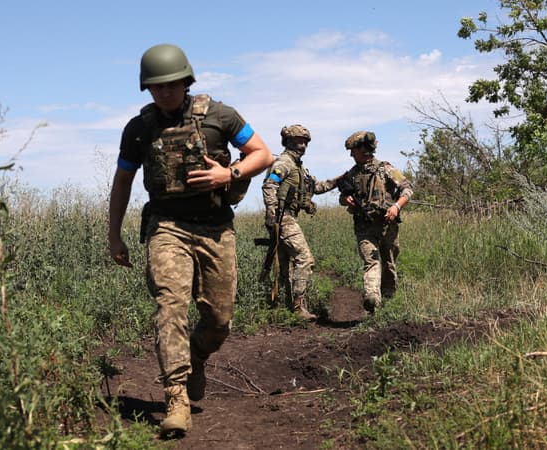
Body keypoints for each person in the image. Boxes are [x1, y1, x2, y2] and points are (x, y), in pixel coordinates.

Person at [108, 43, 273, 436]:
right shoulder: (139, 129)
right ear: (147, 89)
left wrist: (228, 175)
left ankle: (196, 356)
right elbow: (122, 182)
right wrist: (114, 235)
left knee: (219, 321)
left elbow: (261, 155)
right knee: (171, 307)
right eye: (155, 87)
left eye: (171, 84)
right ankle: (176, 395)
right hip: (167, 227)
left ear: (186, 81)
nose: (164, 93)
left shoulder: (220, 116)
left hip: (216, 227)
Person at [261, 124, 340, 320]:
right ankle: (298, 307)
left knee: (286, 266)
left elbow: (317, 187)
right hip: (283, 218)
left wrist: (340, 180)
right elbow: (269, 185)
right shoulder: (284, 163)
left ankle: (283, 308)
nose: (303, 145)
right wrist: (272, 210)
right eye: (298, 140)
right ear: (288, 141)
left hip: (288, 217)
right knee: (305, 259)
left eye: (305, 141)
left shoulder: (299, 168)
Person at [337, 131, 413, 314]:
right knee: (371, 260)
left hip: (388, 224)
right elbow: (342, 196)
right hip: (364, 226)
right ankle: (372, 297)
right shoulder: (351, 174)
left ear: (364, 149)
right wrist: (344, 199)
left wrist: (396, 207)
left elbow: (407, 188)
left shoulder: (386, 169)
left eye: (353, 150)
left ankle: (389, 300)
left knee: (389, 262)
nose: (351, 154)